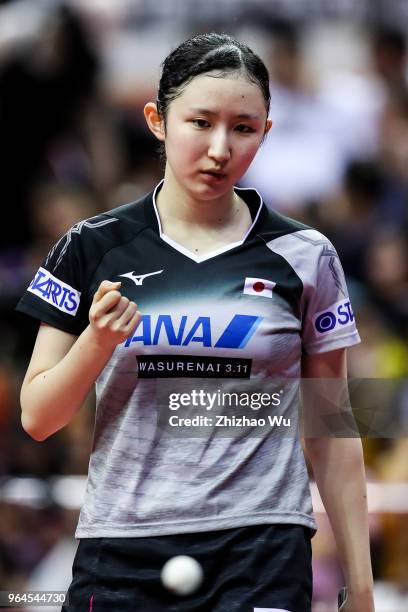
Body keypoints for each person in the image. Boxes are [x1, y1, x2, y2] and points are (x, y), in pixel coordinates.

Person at [17, 33, 374, 612]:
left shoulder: (308, 254)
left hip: (262, 547)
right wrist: (97, 342)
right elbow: (38, 418)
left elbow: (334, 427)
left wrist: (359, 586)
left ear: (266, 132)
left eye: (243, 128)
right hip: (123, 547)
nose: (219, 148)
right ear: (157, 121)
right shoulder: (90, 248)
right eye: (200, 122)